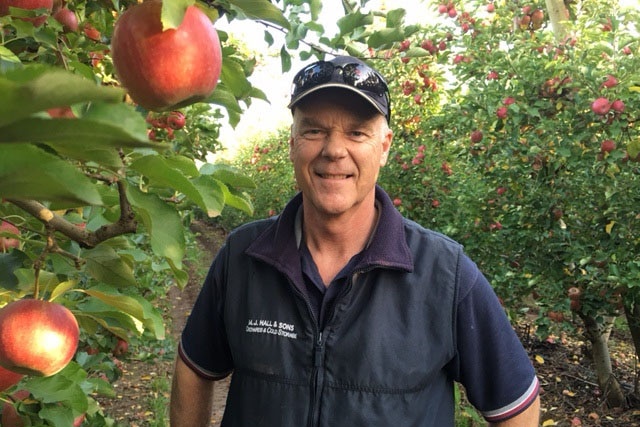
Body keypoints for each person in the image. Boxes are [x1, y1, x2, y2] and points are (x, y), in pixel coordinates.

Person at [170, 55, 541, 427]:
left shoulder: (445, 273)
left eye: (357, 132)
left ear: (384, 147)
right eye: (314, 131)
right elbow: (195, 368)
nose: (334, 150)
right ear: (293, 144)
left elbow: (516, 407)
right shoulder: (243, 257)